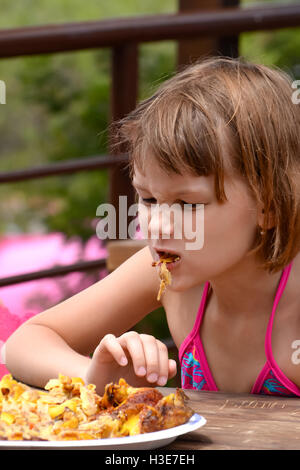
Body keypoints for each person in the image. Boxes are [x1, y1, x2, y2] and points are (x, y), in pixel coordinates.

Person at [4, 56, 300, 396]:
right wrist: (96, 377)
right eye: (148, 199)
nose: (158, 226)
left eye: (188, 204)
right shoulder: (167, 275)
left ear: (269, 206)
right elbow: (27, 341)